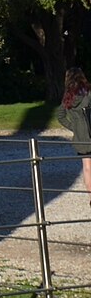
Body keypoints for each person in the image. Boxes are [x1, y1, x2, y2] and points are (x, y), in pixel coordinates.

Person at [57, 67, 91, 202]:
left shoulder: (68, 97)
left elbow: (60, 115)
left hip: (80, 137)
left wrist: (74, 127)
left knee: (87, 168)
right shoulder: (88, 93)